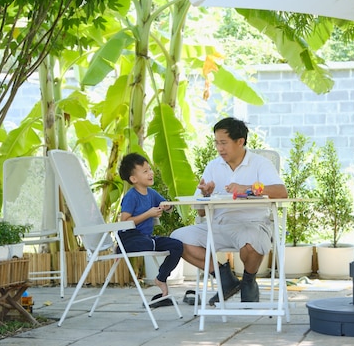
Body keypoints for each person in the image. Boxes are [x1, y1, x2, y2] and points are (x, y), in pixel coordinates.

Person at [171, 117, 288, 304]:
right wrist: (206, 196)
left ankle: (249, 281)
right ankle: (226, 279)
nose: (219, 148)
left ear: (240, 141)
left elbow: (281, 192)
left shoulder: (260, 164)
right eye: (216, 143)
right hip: (219, 225)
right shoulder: (213, 166)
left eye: (224, 143)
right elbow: (201, 213)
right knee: (177, 240)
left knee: (253, 243)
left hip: (253, 225)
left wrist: (248, 188)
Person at [118, 153, 184, 304]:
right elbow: (124, 221)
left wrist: (167, 206)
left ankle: (161, 278)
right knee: (146, 244)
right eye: (145, 171)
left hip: (147, 238)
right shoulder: (131, 196)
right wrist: (148, 214)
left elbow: (166, 206)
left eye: (150, 169)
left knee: (177, 246)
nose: (150, 173)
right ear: (133, 179)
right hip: (131, 237)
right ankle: (119, 249)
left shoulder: (152, 193)